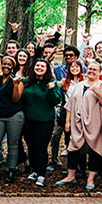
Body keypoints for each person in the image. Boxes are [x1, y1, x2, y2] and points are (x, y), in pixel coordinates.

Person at [55, 61, 102, 190]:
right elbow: (70, 104)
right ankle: (71, 176)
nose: (92, 71)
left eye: (95, 69)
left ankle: (91, 178)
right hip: (77, 122)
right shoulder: (79, 85)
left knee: (94, 150)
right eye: (90, 69)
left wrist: (98, 92)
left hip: (95, 123)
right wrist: (67, 122)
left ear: (100, 72)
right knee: (73, 148)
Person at [20, 59, 62, 187]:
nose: (39, 68)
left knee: (41, 146)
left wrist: (50, 90)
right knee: (31, 145)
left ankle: (42, 174)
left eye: (42, 66)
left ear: (47, 69)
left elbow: (55, 101)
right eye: (37, 65)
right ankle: (35, 170)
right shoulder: (26, 82)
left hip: (45, 120)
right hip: (28, 119)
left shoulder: (51, 82)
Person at [0, 56, 24, 182]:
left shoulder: (17, 80)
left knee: (13, 144)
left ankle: (11, 170)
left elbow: (16, 99)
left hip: (14, 115)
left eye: (9, 64)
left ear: (13, 66)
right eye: (4, 64)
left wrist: (15, 85)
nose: (6, 66)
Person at [49, 59, 84, 171]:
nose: (74, 69)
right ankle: (54, 159)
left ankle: (76, 163)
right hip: (65, 110)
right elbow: (55, 84)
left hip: (79, 111)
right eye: (72, 67)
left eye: (77, 67)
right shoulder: (65, 81)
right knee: (56, 134)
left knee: (75, 137)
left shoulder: (84, 81)